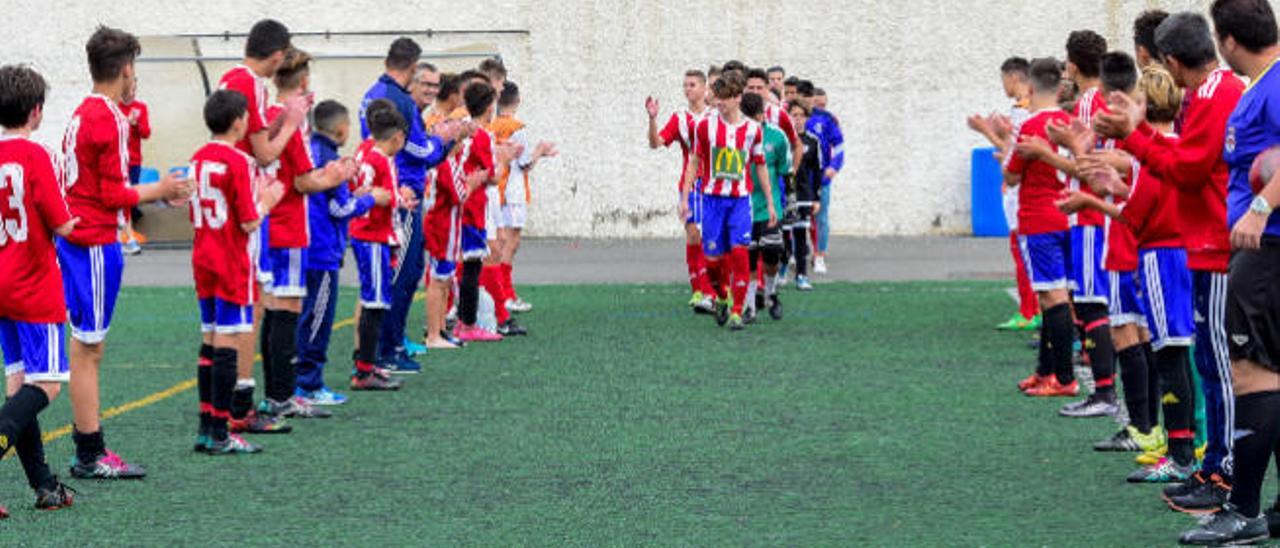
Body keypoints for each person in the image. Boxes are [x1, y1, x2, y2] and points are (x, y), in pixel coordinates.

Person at [1093, 10, 1245, 515]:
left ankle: (1221, 470)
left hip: (1212, 248)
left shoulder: (1215, 94)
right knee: (1207, 361)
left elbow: (1186, 168)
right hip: (1203, 247)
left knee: (1218, 368)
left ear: (1173, 61)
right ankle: (1213, 463)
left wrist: (1134, 137)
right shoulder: (1216, 92)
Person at [60, 25, 191, 480]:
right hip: (93, 241)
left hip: (80, 237)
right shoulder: (111, 117)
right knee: (88, 348)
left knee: (84, 346)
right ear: (127, 69)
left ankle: (87, 448)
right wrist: (163, 187)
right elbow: (112, 193)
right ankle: (89, 451)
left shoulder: (82, 110)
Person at [1179, 0, 1280, 543]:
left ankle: (1242, 509)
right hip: (1262, 248)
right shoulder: (1262, 85)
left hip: (1265, 248)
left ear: (1230, 39)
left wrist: (1261, 207)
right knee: (1272, 374)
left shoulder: (1275, 83)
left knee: (1251, 374)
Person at [217, 19, 307, 436]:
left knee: (228, 307)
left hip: (220, 202)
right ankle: (239, 405)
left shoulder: (227, 77)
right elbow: (265, 154)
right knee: (248, 305)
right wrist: (290, 122)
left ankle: (223, 404)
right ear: (276, 56)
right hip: (243, 204)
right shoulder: (251, 84)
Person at [188, 89, 286, 455]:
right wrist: (268, 200)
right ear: (238, 122)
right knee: (228, 340)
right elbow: (248, 221)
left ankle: (205, 426)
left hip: (203, 257)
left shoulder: (197, 158)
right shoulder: (240, 162)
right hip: (231, 261)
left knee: (211, 339)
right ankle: (219, 431)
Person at [0, 64, 79, 516]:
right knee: (46, 386)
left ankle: (45, 487)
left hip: (2, 283)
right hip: (34, 286)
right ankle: (45, 486)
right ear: (36, 112)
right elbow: (62, 222)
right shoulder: (37, 156)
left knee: (19, 389)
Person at [258, 48, 352, 420]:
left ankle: (278, 393)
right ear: (304, 81)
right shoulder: (292, 124)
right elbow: (301, 180)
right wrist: (334, 176)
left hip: (270, 226)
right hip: (289, 227)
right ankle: (285, 393)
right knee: (286, 313)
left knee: (276, 313)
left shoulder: (266, 116)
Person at [360, 37, 451, 375]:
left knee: (398, 273)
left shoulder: (374, 92)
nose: (427, 89)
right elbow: (418, 151)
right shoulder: (399, 101)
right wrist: (446, 139)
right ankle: (388, 348)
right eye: (424, 82)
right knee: (403, 272)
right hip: (401, 194)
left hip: (393, 191)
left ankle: (384, 346)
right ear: (413, 68)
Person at [296, 100, 385, 406]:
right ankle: (308, 384)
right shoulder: (329, 158)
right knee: (317, 318)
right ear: (342, 128)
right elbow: (339, 207)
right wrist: (371, 199)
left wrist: (355, 195)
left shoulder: (312, 151)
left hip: (308, 246)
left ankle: (302, 381)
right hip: (321, 250)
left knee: (305, 315)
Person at [1004, 58, 1078, 398]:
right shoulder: (1071, 121)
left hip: (1038, 218)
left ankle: (1064, 378)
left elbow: (1011, 174)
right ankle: (1045, 370)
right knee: (1055, 296)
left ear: (1030, 89)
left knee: (1053, 295)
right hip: (1069, 216)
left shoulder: (1029, 125)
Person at [680, 70, 777, 331]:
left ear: (737, 98)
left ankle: (737, 311)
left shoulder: (752, 130)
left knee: (739, 252)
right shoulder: (705, 126)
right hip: (712, 201)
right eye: (717, 97)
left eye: (724, 98)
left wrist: (769, 202)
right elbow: (694, 162)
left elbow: (760, 166)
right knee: (713, 260)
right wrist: (685, 198)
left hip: (739, 203)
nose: (718, 103)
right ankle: (722, 297)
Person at [968, 57, 1040, 332]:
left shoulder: (1024, 110)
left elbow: (1014, 153)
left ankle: (1029, 310)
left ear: (1014, 78)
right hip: (1018, 188)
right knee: (1024, 250)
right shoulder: (1024, 109)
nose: (1003, 85)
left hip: (1020, 190)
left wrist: (986, 130)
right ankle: (1032, 308)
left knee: (1022, 250)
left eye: (1004, 79)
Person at [350, 99, 409, 391]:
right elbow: (362, 193)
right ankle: (364, 371)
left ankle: (368, 363)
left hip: (378, 236)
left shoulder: (369, 152)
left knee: (375, 299)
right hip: (371, 236)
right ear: (397, 137)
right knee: (374, 302)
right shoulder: (376, 159)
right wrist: (387, 198)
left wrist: (397, 196)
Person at [647, 69, 716, 313]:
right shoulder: (679, 119)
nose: (688, 89)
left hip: (713, 185)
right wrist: (653, 119)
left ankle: (709, 289)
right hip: (689, 186)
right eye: (685, 85)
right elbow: (656, 143)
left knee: (710, 239)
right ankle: (700, 288)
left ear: (705, 88)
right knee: (693, 234)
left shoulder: (716, 116)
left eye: (693, 84)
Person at [491, 81, 556, 320]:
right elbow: (524, 162)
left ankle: (500, 291)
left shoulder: (491, 125)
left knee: (500, 241)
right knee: (510, 243)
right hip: (513, 191)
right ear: (517, 101)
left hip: (498, 189)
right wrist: (540, 151)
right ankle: (505, 293)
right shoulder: (518, 127)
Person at [454, 82, 503, 342]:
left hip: (457, 205)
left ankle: (462, 319)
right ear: (489, 106)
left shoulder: (460, 132)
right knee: (472, 266)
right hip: (473, 207)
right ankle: (467, 323)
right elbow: (492, 177)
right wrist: (503, 160)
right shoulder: (482, 136)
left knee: (463, 264)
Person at [742, 92, 788, 321]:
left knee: (771, 254)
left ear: (762, 115)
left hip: (770, 208)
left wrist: (787, 203)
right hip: (744, 206)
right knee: (748, 257)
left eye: (754, 117)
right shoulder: (737, 135)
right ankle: (750, 306)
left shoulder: (777, 137)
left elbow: (783, 171)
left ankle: (771, 294)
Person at [798, 80, 843, 274]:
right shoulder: (795, 116)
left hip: (821, 177)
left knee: (821, 217)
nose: (821, 107)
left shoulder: (827, 120)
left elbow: (840, 147)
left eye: (824, 104)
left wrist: (834, 166)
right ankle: (795, 254)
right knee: (796, 216)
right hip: (799, 178)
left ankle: (819, 256)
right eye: (818, 104)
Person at [787, 102, 820, 292]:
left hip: (803, 195)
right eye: (794, 114)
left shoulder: (812, 142)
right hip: (784, 193)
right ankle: (781, 268)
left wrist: (816, 198)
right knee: (781, 236)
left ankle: (801, 275)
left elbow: (817, 171)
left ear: (806, 118)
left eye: (801, 115)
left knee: (800, 235)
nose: (797, 119)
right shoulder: (783, 139)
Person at [117, 77, 149, 256]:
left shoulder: (140, 108)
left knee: (130, 198)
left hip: (134, 160)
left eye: (134, 89)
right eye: (129, 89)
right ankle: (127, 236)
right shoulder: (115, 108)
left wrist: (136, 125)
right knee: (123, 197)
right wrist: (125, 124)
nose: (132, 93)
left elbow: (146, 133)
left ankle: (129, 233)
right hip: (118, 161)